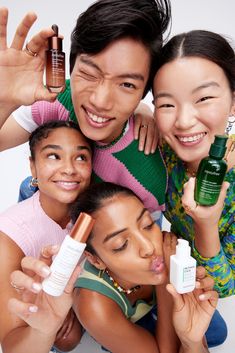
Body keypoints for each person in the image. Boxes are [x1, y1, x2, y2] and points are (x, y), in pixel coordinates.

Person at [0, 0, 171, 224]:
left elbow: (144, 246)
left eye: (127, 85)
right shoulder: (59, 100)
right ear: (70, 67)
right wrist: (4, 102)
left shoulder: (146, 174)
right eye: (90, 74)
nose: (100, 101)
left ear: (144, 91)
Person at [9, 182, 219, 353]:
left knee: (217, 332)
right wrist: (167, 281)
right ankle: (29, 190)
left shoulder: (165, 245)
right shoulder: (94, 307)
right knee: (67, 340)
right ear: (96, 260)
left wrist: (191, 340)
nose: (149, 247)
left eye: (147, 224)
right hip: (108, 306)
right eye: (121, 245)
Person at [152, 30, 235, 301]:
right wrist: (140, 114)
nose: (184, 121)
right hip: (160, 262)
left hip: (196, 287)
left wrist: (207, 224)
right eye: (166, 103)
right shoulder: (163, 147)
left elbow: (224, 287)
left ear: (233, 101)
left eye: (203, 98)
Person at [0, 121, 93, 352]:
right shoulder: (9, 236)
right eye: (53, 156)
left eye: (81, 157)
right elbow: (11, 344)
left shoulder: (98, 213)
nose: (69, 169)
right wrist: (44, 329)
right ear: (33, 166)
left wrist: (75, 307)